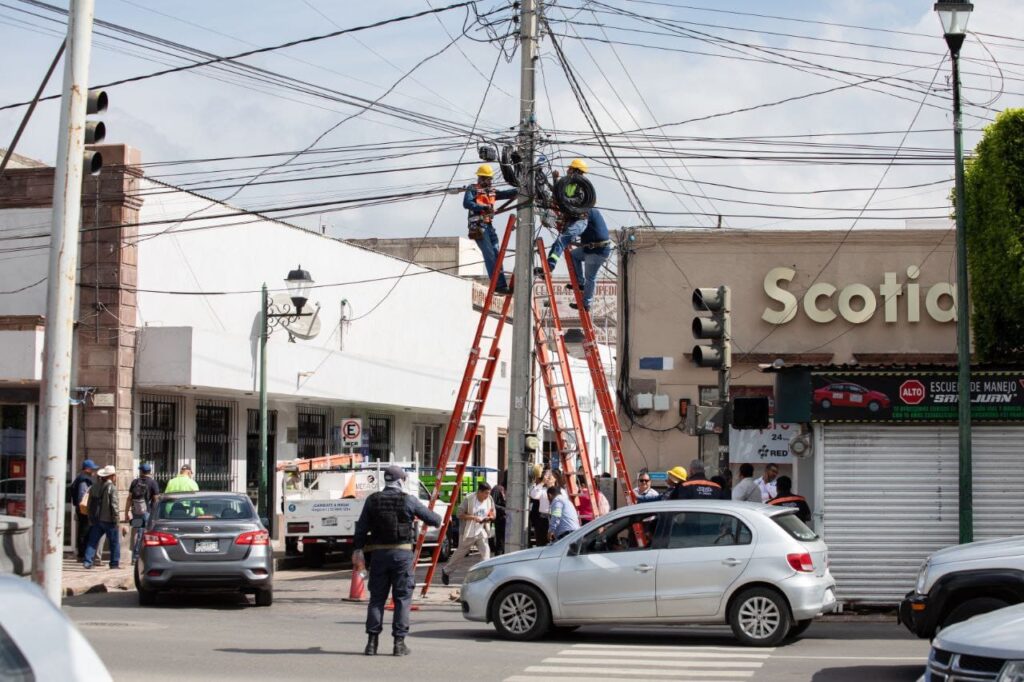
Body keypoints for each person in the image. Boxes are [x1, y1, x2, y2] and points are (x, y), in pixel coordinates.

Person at [352, 465, 441, 657]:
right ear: (401, 481)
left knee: (377, 599)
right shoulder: (409, 500)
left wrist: (358, 550)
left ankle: (371, 644)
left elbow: (361, 529)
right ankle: (399, 644)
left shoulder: (372, 500)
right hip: (402, 556)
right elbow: (435, 520)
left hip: (378, 555)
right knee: (402, 598)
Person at [463, 164, 516, 296]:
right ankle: (498, 285)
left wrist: (520, 190)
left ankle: (501, 285)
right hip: (478, 226)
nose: (490, 181)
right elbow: (467, 203)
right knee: (490, 255)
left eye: (490, 179)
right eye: (487, 179)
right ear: (481, 178)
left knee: (497, 254)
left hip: (489, 227)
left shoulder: (491, 191)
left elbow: (505, 194)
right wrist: (483, 207)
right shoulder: (472, 189)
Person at [537, 159, 592, 276]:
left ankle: (549, 267)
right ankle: (549, 266)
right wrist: (553, 179)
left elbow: (578, 200)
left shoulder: (582, 186)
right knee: (558, 243)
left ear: (576, 171)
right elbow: (558, 193)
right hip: (570, 219)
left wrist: (564, 200)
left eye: (570, 168)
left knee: (561, 241)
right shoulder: (568, 184)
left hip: (579, 221)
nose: (567, 170)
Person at [442, 481, 496, 586]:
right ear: (479, 492)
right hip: (468, 531)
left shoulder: (489, 499)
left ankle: (483, 577)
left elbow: (493, 513)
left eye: (488, 493)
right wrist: (473, 517)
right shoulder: (469, 499)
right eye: (485, 493)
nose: (487, 496)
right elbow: (459, 514)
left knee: (486, 553)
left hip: (481, 530)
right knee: (460, 554)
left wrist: (489, 517)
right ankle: (446, 571)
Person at [567, 209, 611, 313]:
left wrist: (568, 229)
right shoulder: (586, 214)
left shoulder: (589, 212)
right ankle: (580, 282)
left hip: (597, 251)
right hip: (588, 249)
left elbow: (578, 228)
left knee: (590, 277)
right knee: (573, 255)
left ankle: (586, 304)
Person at [83, 465, 120, 570]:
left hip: (96, 519)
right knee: (114, 542)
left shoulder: (94, 486)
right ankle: (114, 563)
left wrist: (90, 517)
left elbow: (89, 503)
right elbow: (114, 505)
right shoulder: (112, 488)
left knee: (92, 541)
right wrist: (117, 520)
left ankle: (87, 562)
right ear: (112, 476)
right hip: (109, 520)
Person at [126, 463, 160, 564]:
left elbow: (129, 498)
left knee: (137, 533)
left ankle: (134, 557)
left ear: (141, 471)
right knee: (145, 534)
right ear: (149, 471)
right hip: (147, 512)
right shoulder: (153, 483)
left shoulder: (134, 482)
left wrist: (126, 512)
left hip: (136, 511)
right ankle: (141, 557)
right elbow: (156, 499)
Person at [69, 459, 97, 562]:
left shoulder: (81, 478)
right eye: (93, 469)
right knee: (84, 532)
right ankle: (82, 555)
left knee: (84, 531)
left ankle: (83, 554)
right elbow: (82, 496)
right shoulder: (83, 480)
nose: (94, 471)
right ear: (87, 469)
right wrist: (86, 508)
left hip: (82, 509)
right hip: (84, 509)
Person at [528, 467, 554, 547]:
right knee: (541, 543)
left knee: (553, 543)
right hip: (542, 519)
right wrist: (542, 483)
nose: (548, 479)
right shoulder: (543, 490)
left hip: (554, 517)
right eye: (546, 477)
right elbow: (533, 495)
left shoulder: (559, 490)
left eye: (550, 477)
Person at [490, 470, 507, 556]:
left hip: (509, 520)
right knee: (500, 543)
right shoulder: (497, 489)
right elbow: (491, 504)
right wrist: (504, 509)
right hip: (500, 519)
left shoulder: (510, 489)